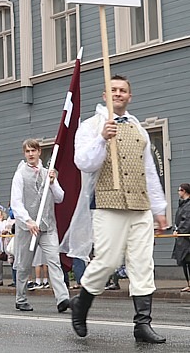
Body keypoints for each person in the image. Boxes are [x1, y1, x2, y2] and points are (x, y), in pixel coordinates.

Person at [70, 75, 169, 343]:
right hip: (108, 203)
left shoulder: (139, 129)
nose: (118, 93)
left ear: (129, 96)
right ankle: (81, 305)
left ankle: (142, 324)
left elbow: (149, 171)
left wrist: (159, 207)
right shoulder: (91, 126)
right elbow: (83, 163)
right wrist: (102, 139)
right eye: (113, 90)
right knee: (108, 260)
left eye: (123, 90)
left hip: (140, 206)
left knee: (142, 263)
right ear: (104, 95)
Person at [10, 139, 69, 313]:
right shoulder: (20, 174)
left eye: (33, 151)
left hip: (48, 226)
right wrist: (28, 221)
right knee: (23, 265)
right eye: (27, 151)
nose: (30, 154)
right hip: (27, 228)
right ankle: (20, 298)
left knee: (54, 261)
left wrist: (53, 182)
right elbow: (16, 202)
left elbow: (59, 197)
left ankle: (63, 299)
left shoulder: (47, 173)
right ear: (24, 153)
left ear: (39, 152)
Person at [171, 183, 190, 293]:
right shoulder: (182, 204)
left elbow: (187, 220)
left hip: (186, 239)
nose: (178, 192)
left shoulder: (188, 205)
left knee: (188, 261)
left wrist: (179, 231)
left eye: (179, 190)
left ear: (184, 191)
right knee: (184, 262)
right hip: (181, 239)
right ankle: (188, 284)